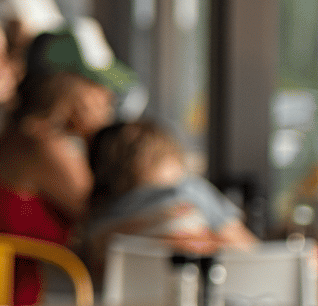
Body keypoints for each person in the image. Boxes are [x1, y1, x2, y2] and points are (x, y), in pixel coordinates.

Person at [0, 29, 133, 306]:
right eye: (97, 84)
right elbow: (113, 216)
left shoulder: (23, 134)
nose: (109, 97)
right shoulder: (42, 146)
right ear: (67, 87)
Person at [85, 118, 257, 275]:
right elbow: (252, 254)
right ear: (166, 157)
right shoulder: (188, 192)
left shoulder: (96, 227)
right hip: (196, 300)